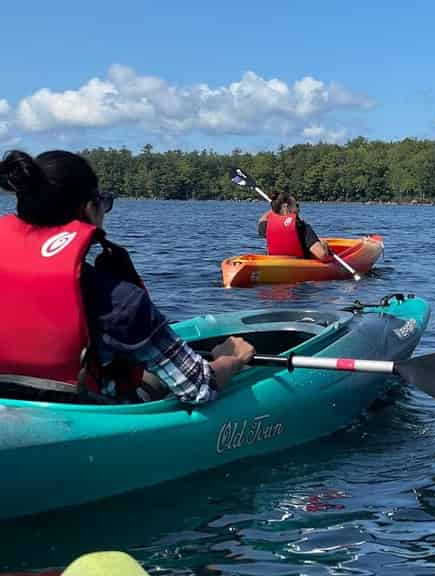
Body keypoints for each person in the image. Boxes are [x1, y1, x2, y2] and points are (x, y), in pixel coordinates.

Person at [0, 149, 254, 404]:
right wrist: (231, 360)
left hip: (12, 410)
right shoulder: (118, 301)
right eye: (104, 202)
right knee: (160, 381)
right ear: (89, 209)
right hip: (83, 419)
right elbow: (199, 387)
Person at [257, 192, 331, 260]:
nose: (299, 209)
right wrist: (324, 246)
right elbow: (322, 255)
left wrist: (276, 207)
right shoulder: (302, 227)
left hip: (277, 264)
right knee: (323, 243)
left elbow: (262, 219)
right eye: (297, 205)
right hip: (300, 266)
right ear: (286, 206)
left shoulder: (267, 225)